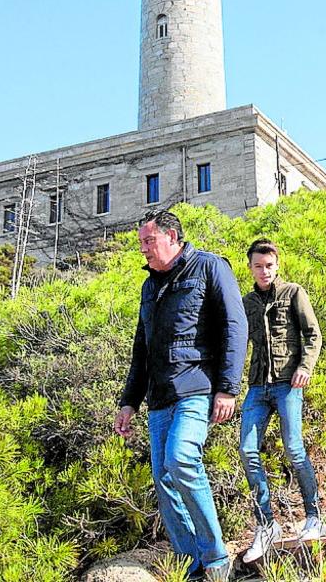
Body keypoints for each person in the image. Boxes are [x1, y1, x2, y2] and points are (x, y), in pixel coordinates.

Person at [114, 209, 247, 582]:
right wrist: (129, 402)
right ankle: (191, 565)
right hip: (159, 397)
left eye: (148, 241)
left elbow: (235, 326)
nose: (143, 249)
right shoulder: (149, 286)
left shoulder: (209, 267)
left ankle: (216, 557)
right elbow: (142, 348)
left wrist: (228, 387)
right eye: (141, 242)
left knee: (181, 457)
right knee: (163, 477)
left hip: (196, 387)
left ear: (172, 237)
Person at [238, 239, 325, 563]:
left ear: (277, 265)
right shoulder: (246, 302)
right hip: (257, 387)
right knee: (247, 450)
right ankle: (266, 524)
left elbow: (312, 334)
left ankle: (314, 515)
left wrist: (305, 368)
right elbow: (237, 343)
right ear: (250, 267)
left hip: (289, 384)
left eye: (269, 265)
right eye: (258, 266)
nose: (264, 271)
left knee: (294, 448)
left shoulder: (294, 293)